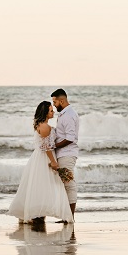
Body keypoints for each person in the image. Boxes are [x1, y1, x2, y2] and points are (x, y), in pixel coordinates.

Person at [8, 101, 73, 224]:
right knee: (42, 185)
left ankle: (39, 213)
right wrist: (54, 162)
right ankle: (36, 213)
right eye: (51, 111)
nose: (53, 112)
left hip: (41, 156)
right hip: (44, 158)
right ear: (45, 113)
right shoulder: (43, 126)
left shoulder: (43, 125)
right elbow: (46, 146)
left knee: (41, 185)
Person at [51, 89, 79, 218]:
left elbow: (70, 138)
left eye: (55, 102)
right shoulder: (64, 114)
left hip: (67, 154)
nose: (54, 105)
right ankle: (67, 216)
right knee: (65, 184)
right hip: (63, 154)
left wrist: (54, 145)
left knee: (69, 184)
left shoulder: (68, 115)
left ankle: (70, 217)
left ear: (62, 101)